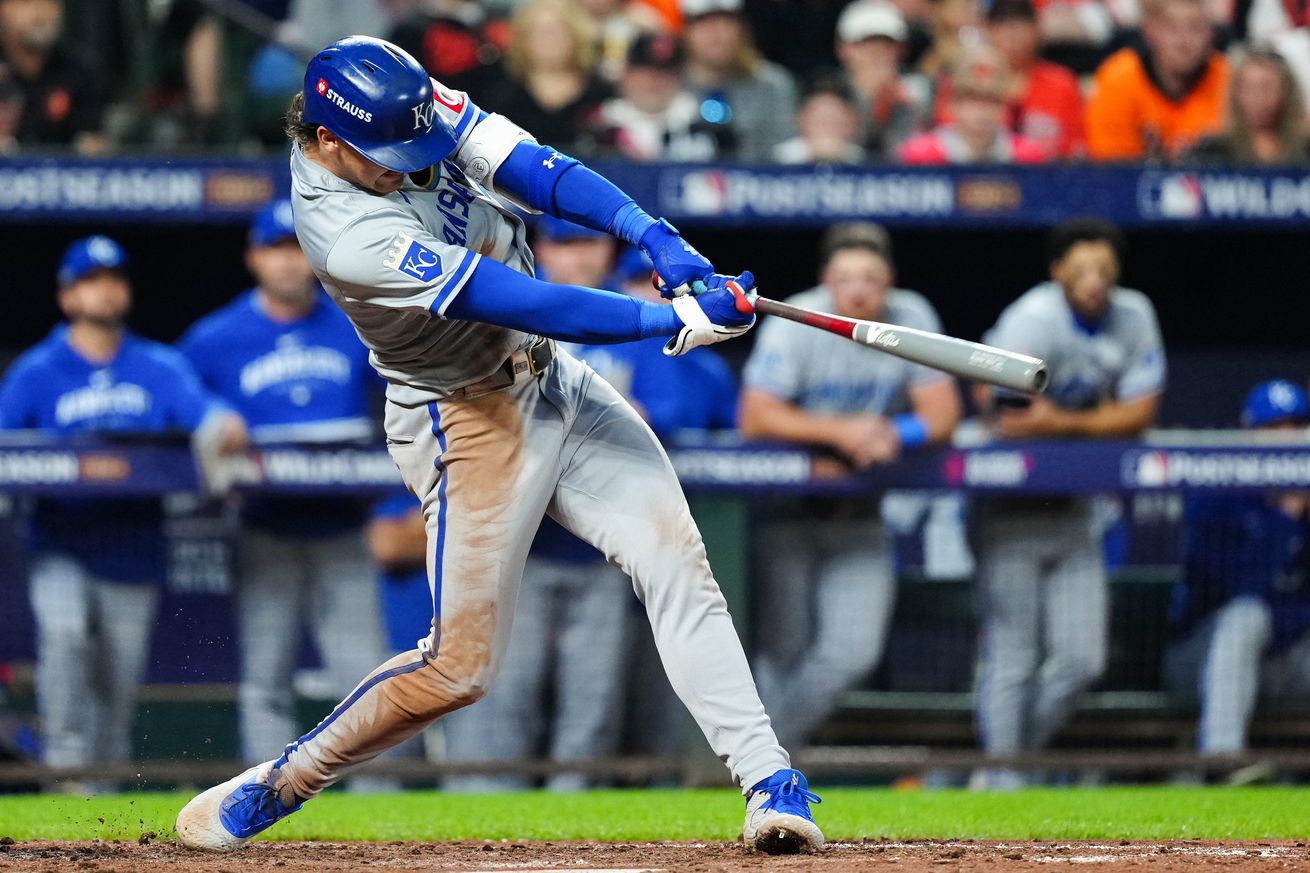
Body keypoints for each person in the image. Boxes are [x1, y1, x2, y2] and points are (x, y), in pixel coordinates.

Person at [174, 35, 822, 855]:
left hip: (554, 380)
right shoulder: (344, 232)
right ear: (328, 141)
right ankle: (286, 778)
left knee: (677, 560)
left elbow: (536, 170)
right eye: (390, 156)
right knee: (459, 669)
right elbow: (516, 297)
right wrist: (669, 320)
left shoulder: (401, 103)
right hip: (466, 415)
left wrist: (650, 233)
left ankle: (769, 780)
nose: (411, 166)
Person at [0, 237, 240, 781]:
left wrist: (222, 423)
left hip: (135, 546)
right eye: (90, 281)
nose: (105, 291)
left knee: (116, 679)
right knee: (63, 636)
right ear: (66, 296)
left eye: (113, 279)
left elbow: (207, 413)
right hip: (60, 540)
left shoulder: (157, 365)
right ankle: (64, 770)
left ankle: (101, 786)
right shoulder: (37, 370)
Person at [176, 199, 389, 767]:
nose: (288, 263)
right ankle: (261, 801)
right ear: (254, 258)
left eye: (297, 248)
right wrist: (211, 414)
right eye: (276, 249)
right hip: (263, 528)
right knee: (265, 677)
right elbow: (172, 395)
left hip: (344, 529)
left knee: (363, 678)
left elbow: (402, 404)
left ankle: (377, 806)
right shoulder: (214, 337)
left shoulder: (356, 324)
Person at [737, 222, 961, 750]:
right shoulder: (796, 317)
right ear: (825, 281)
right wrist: (842, 432)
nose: (858, 290)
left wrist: (893, 432)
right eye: (845, 278)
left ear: (890, 283)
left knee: (852, 652)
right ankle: (766, 770)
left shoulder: (913, 316)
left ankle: (757, 764)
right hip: (789, 512)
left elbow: (944, 413)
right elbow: (756, 416)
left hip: (861, 513)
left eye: (871, 279)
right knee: (782, 651)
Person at [971, 218, 1166, 789]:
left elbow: (1141, 413)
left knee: (1083, 660)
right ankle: (1005, 783)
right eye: (1081, 269)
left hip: (1075, 510)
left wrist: (1062, 422)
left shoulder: (1134, 315)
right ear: (1058, 271)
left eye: (1103, 269)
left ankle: (1009, 771)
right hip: (1010, 507)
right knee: (1013, 657)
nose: (1094, 281)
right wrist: (1093, 424)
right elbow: (1005, 413)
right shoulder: (1033, 318)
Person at [439, 217, 632, 793]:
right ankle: (478, 834)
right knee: (503, 698)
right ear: (540, 248)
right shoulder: (503, 317)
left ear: (608, 252)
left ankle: (572, 834)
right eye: (562, 242)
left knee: (590, 709)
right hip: (515, 545)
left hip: (599, 548)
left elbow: (671, 418)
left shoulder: (632, 321)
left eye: (588, 242)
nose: (575, 256)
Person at [1164, 381, 1310, 770]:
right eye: (1274, 428)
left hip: (1281, 661)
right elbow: (1245, 590)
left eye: (1296, 426)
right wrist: (1285, 518)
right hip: (1200, 659)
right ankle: (1221, 760)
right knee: (1247, 616)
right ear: (1247, 434)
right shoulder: (1217, 496)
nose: (1288, 438)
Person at [1084, 0, 1228, 161]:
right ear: (1150, 31)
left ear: (1211, 33)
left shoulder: (1228, 83)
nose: (1183, 41)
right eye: (1171, 28)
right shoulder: (1117, 81)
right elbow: (1109, 169)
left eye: (1195, 28)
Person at [474, 0, 613, 155]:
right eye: (537, 31)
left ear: (576, 34)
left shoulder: (602, 93)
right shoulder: (499, 93)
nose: (547, 40)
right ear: (522, 38)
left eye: (556, 30)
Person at [951, 0, 1085, 159]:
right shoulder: (970, 76)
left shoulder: (1061, 84)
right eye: (1003, 25)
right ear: (987, 29)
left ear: (1037, 29)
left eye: (1021, 24)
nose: (1013, 34)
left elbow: (1076, 150)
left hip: (1047, 175)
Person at [679, 0, 798, 162]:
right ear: (685, 31)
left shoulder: (771, 85)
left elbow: (786, 152)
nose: (717, 35)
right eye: (705, 24)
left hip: (757, 182)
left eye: (727, 23)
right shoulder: (668, 83)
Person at [899, 45, 1048, 164]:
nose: (981, 113)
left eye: (991, 101)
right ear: (953, 104)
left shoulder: (1026, 157)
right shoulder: (923, 156)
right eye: (972, 100)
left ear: (1004, 106)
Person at [597, 31, 726, 161]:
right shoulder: (600, 127)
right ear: (625, 75)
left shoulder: (704, 127)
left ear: (679, 79)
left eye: (665, 72)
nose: (654, 81)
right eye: (645, 71)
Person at [0, 0, 104, 152]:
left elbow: (93, 140)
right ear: (3, 10)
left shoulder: (79, 69)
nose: (40, 14)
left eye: (50, 2)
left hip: (62, 172)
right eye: (26, 3)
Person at [833, 0, 931, 159]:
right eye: (864, 43)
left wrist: (892, 103)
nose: (876, 52)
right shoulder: (829, 90)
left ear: (901, 50)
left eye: (886, 44)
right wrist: (867, 97)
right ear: (843, 49)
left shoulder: (916, 90)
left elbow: (907, 151)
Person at [1184, 49, 1310, 164]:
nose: (1257, 98)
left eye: (1266, 88)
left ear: (1286, 92)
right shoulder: (1212, 153)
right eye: (1247, 88)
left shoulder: (1304, 151)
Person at [773, 77, 869, 165]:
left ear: (851, 122)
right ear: (800, 119)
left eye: (834, 121)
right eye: (819, 120)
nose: (826, 127)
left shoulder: (866, 161)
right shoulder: (775, 159)